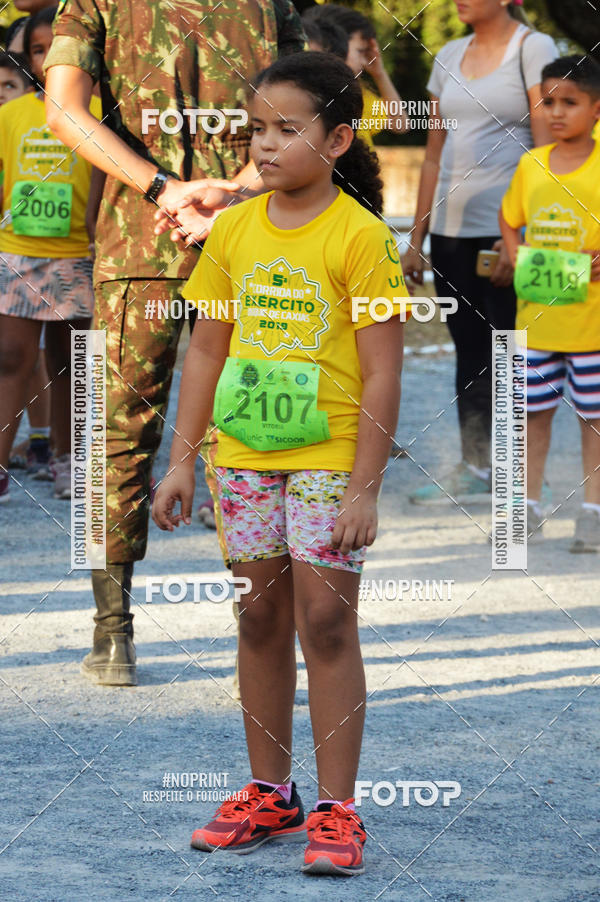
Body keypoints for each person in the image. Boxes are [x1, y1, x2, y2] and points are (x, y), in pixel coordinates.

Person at [153, 52, 408, 877]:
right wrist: (184, 462)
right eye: (256, 129)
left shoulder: (363, 236)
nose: (263, 147)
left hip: (330, 456)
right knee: (258, 618)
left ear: (336, 139)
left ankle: (338, 810)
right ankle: (271, 794)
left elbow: (384, 370)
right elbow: (204, 354)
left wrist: (366, 484)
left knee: (325, 622)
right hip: (245, 461)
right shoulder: (231, 228)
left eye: (285, 130)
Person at [43, 0, 306, 686]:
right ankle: (262, 631)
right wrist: (236, 192)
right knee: (251, 429)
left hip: (139, 239)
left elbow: (63, 111)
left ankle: (112, 638)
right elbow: (319, 100)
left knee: (116, 432)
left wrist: (164, 188)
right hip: (254, 235)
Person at [404, 0, 557, 505]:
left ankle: (519, 474)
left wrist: (526, 235)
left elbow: (544, 146)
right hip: (450, 231)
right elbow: (432, 156)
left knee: (513, 348)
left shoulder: (532, 48)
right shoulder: (446, 54)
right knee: (469, 349)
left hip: (506, 230)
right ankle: (475, 466)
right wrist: (417, 238)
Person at [500, 55, 600, 552]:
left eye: (570, 102)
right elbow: (509, 217)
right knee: (531, 416)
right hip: (536, 320)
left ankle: (593, 512)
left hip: (593, 326)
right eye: (548, 102)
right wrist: (515, 254)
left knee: (594, 420)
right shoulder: (530, 164)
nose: (556, 112)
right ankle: (528, 506)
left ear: (597, 108)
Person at [0, 6, 99, 503]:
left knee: (71, 363)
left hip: (78, 257)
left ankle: (67, 460)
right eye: (39, 51)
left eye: (58, 48)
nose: (50, 60)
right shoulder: (10, 115)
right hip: (18, 254)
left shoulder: (101, 116)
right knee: (10, 357)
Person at [312, 4, 409, 142]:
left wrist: (379, 74)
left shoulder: (358, 95)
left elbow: (400, 124)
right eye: (360, 51)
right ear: (335, 46)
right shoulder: (311, 100)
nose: (365, 61)